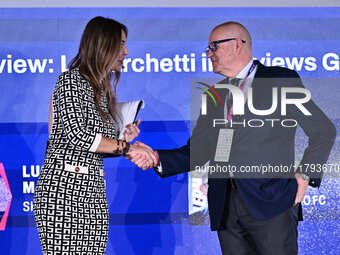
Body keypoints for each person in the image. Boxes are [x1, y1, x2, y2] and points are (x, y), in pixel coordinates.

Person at [130, 21, 336, 255]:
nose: (209, 54)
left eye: (213, 46)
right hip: (226, 206)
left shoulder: (279, 79)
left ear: (238, 44)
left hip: (272, 202)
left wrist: (305, 174)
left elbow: (323, 130)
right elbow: (199, 150)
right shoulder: (214, 94)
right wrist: (157, 157)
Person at [32, 16, 156, 254]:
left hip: (92, 192)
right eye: (121, 44)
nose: (126, 51)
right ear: (103, 44)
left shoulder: (100, 91)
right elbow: (78, 136)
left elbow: (91, 148)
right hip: (65, 194)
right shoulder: (71, 81)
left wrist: (124, 139)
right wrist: (128, 149)